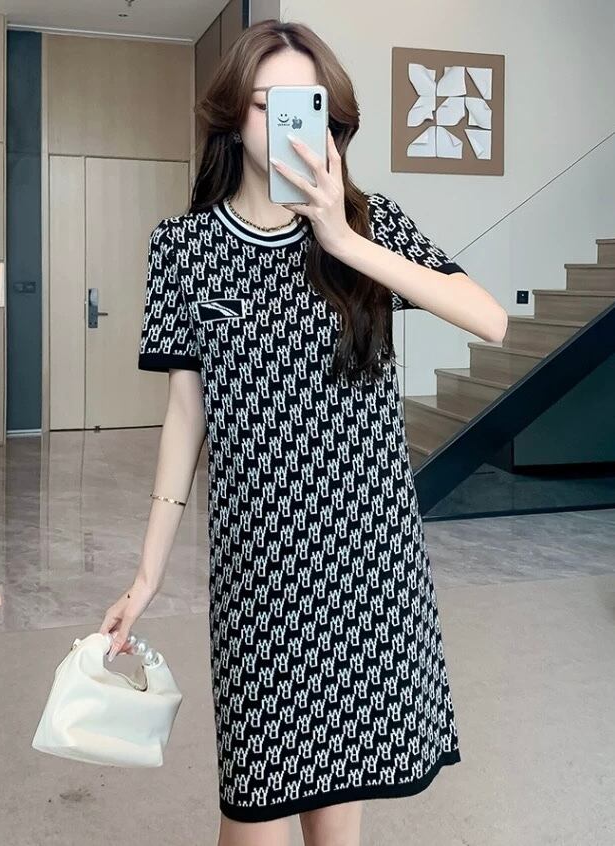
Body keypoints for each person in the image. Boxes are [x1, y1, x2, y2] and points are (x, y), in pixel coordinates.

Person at [100, 18, 508, 846]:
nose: (289, 123)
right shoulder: (182, 248)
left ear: (330, 118)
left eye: (306, 104)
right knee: (254, 814)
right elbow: (186, 413)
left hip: (367, 567)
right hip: (261, 575)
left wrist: (342, 239)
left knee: (338, 819)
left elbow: (489, 318)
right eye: (267, 104)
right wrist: (146, 574)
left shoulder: (368, 226)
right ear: (233, 116)